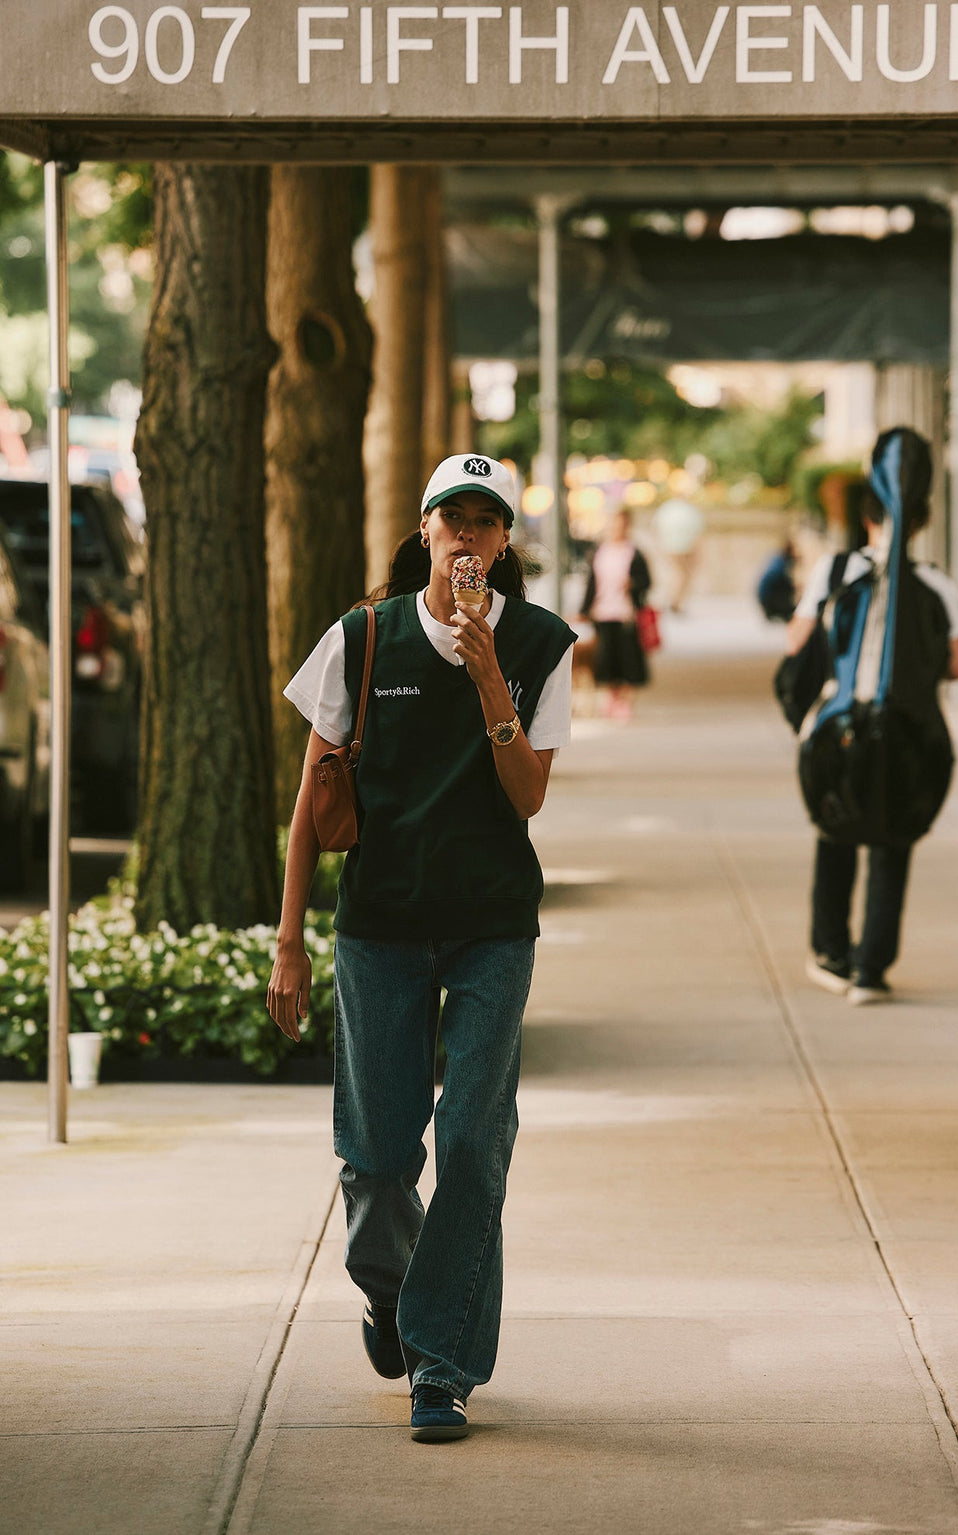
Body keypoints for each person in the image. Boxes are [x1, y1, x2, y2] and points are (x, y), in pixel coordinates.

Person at [266, 453, 575, 1443]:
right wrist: (290, 941)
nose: (469, 536)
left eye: (488, 522)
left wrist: (491, 677)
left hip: (490, 925)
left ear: (504, 542)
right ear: (426, 530)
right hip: (381, 926)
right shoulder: (361, 637)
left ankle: (439, 1365)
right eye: (455, 518)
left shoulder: (539, 642)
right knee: (374, 1157)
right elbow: (312, 803)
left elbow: (528, 794)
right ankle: (391, 1289)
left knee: (475, 1146)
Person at [785, 428, 958, 1005]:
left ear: (868, 518)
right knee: (894, 842)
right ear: (919, 522)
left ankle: (830, 952)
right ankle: (872, 970)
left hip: (838, 730)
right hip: (912, 736)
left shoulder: (834, 571)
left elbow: (798, 643)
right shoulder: (937, 583)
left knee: (835, 832)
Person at [580, 506, 652, 721]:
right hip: (602, 613)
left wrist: (633, 584)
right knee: (606, 660)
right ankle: (611, 698)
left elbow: (647, 582)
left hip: (626, 614)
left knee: (628, 660)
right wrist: (584, 610)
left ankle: (625, 701)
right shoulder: (599, 551)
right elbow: (591, 584)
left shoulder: (634, 552)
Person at [652, 496, 704, 613]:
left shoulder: (667, 509)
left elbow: (655, 527)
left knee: (677, 574)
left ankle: (675, 601)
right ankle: (674, 601)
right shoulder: (690, 511)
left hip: (672, 546)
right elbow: (698, 531)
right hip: (683, 548)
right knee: (680, 575)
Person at [757, 539, 797, 622]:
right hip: (768, 601)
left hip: (766, 601)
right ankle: (776, 611)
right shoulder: (781, 564)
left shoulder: (777, 558)